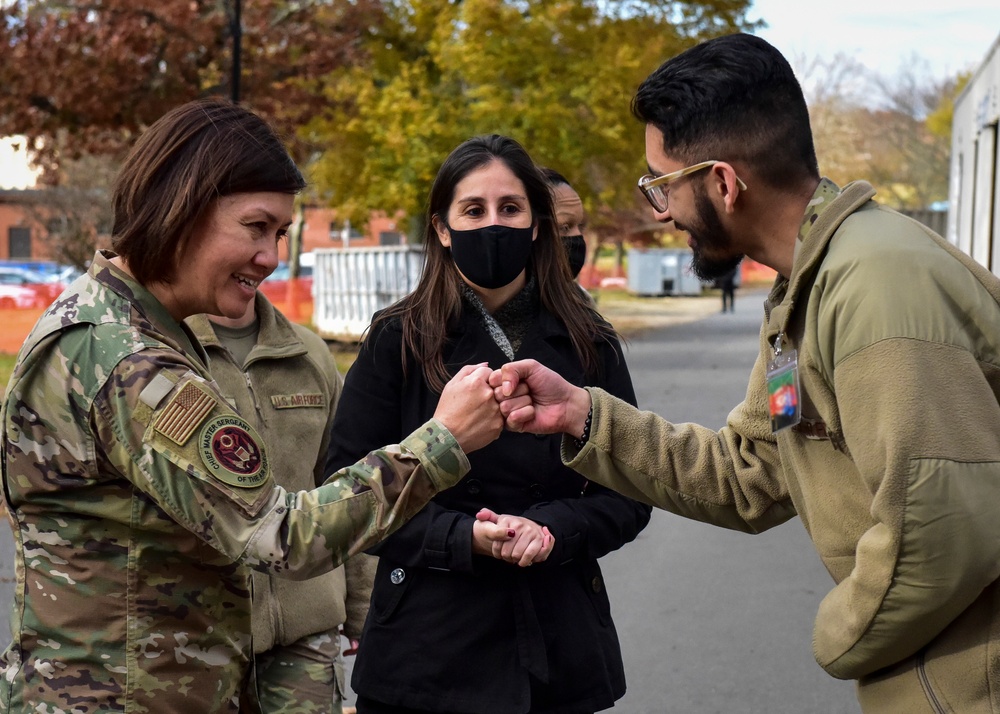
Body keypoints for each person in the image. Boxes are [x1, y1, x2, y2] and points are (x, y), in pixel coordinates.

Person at [491, 33, 1000, 713]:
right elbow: (750, 473)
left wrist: (837, 637)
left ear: (724, 182)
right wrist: (586, 416)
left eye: (661, 187)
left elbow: (940, 535)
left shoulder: (877, 288)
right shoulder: (808, 291)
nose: (662, 215)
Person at [0, 98, 505, 713]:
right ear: (181, 209)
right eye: (256, 226)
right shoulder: (128, 360)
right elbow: (283, 534)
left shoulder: (118, 324)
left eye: (282, 234)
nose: (271, 256)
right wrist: (442, 440)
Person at [325, 134, 652, 714]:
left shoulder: (589, 339)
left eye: (510, 208)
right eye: (473, 210)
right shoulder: (396, 339)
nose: (493, 225)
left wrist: (550, 529)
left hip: (559, 639)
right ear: (443, 229)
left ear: (534, 224)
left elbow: (630, 491)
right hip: (427, 646)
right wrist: (463, 538)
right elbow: (343, 496)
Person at [186, 292, 375, 713]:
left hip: (308, 630)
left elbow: (348, 490)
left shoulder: (308, 354)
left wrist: (363, 608)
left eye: (276, 234)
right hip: (204, 635)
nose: (262, 255)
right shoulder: (169, 352)